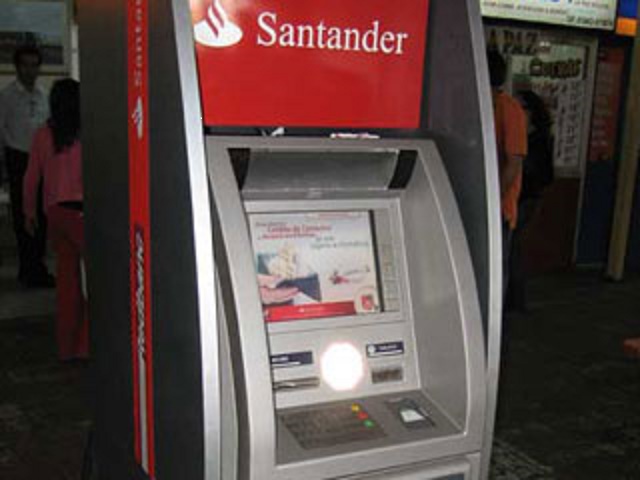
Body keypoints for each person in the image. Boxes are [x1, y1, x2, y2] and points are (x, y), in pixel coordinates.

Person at [23, 78, 87, 361]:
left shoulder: (42, 135)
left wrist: (29, 212)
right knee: (98, 281)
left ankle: (66, 347)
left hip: (55, 214)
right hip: (80, 213)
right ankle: (85, 344)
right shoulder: (84, 134)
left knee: (66, 285)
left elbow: (31, 178)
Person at [0, 45, 52, 287]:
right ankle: (27, 268)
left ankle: (38, 267)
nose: (30, 70)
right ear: (17, 67)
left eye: (34, 65)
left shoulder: (43, 94)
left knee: (42, 214)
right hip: (18, 159)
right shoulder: (7, 96)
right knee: (23, 215)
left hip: (42, 161)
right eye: (25, 65)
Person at [507, 90, 554, 311]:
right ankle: (515, 298)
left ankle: (515, 298)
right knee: (512, 246)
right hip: (522, 196)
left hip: (525, 198)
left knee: (512, 247)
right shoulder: (526, 137)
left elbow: (544, 174)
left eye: (520, 108)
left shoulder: (536, 140)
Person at [487, 50, 528, 299]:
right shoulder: (480, 105)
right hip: (482, 201)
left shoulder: (509, 109)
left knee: (494, 269)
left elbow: (513, 164)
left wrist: (493, 200)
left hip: (499, 208)